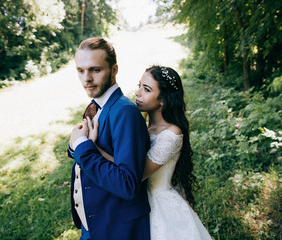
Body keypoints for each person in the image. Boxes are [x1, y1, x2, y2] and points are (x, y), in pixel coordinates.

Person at [86, 65, 213, 240]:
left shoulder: (172, 134)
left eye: (146, 89)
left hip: (159, 206)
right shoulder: (144, 127)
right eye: (139, 86)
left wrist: (93, 149)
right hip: (135, 202)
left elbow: (136, 173)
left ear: (163, 99)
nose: (138, 93)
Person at [67, 37, 151, 240]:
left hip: (118, 227)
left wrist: (81, 146)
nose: (86, 78)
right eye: (80, 70)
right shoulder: (98, 105)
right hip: (96, 222)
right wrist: (74, 146)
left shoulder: (125, 112)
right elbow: (88, 147)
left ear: (114, 70)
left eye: (95, 70)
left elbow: (128, 184)